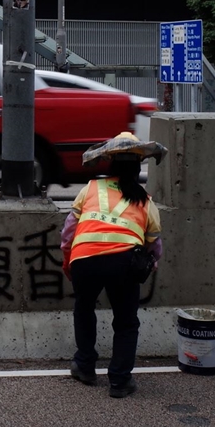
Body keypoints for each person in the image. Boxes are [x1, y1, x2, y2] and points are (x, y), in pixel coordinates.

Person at [60, 146, 163, 399]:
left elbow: (68, 234)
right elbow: (155, 246)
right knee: (126, 322)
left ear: (111, 165)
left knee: (84, 309)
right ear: (138, 168)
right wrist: (152, 261)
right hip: (124, 264)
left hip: (85, 259)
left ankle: (84, 366)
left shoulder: (90, 189)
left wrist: (68, 261)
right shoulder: (146, 201)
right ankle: (119, 381)